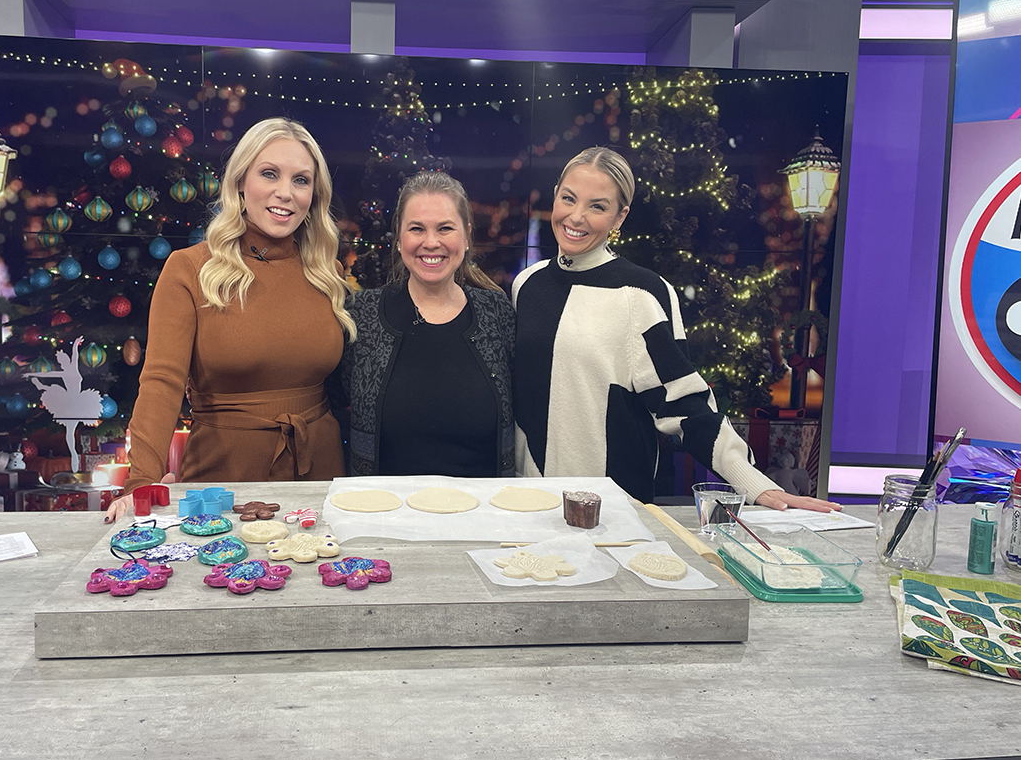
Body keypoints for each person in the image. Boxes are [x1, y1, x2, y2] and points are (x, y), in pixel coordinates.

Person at [512, 146, 840, 512]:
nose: (576, 216)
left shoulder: (642, 294)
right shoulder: (526, 284)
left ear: (620, 217)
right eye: (568, 198)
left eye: (597, 206)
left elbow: (684, 403)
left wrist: (755, 485)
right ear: (555, 195)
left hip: (610, 512)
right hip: (529, 505)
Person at [105, 118, 354, 523]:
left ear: (315, 195)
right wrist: (142, 482)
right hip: (221, 483)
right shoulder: (189, 268)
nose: (285, 193)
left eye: (301, 180)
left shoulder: (326, 273)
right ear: (240, 182)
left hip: (321, 479)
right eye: (269, 174)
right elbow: (161, 382)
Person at [341, 171, 515, 477]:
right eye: (417, 229)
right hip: (381, 516)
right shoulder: (361, 315)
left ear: (466, 235)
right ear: (399, 238)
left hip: (484, 517)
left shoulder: (497, 313)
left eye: (445, 228)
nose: (431, 242)